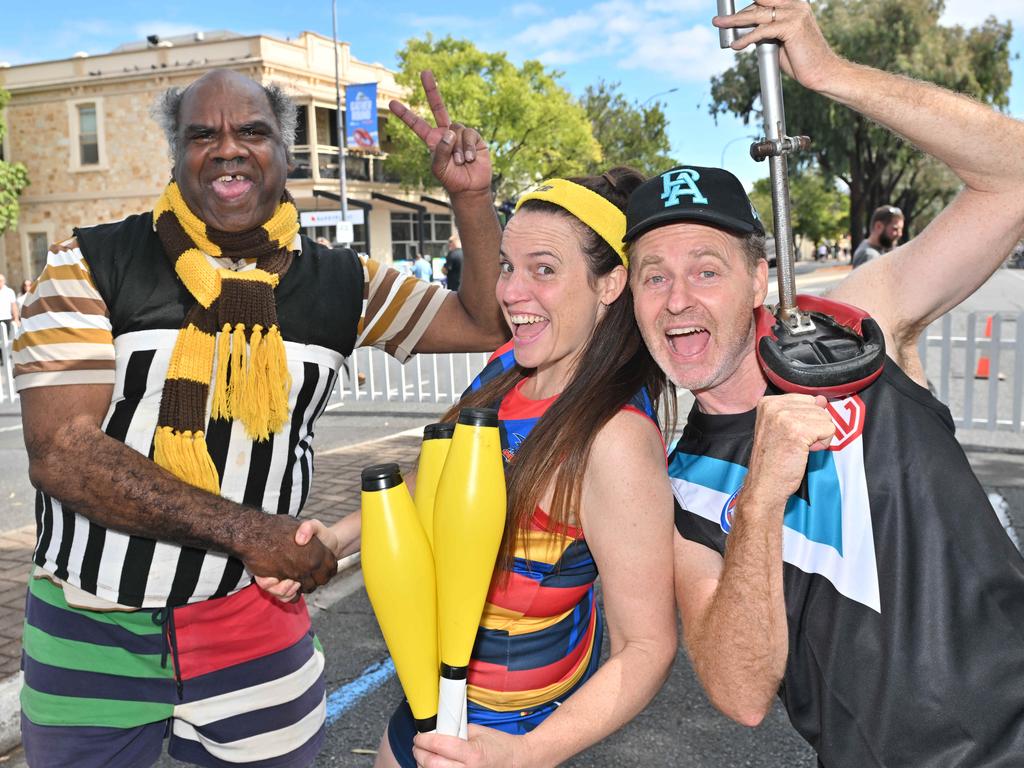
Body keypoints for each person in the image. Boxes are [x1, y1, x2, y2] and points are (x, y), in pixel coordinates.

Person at [12, 69, 507, 768]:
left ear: (286, 149)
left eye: (251, 131)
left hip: (254, 625)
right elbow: (62, 451)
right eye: (202, 135)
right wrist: (249, 531)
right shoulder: (86, 263)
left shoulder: (344, 282)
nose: (228, 149)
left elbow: (484, 322)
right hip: (89, 630)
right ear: (176, 155)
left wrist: (473, 199)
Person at [625, 2, 1024, 766]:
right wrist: (763, 495)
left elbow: (1012, 177)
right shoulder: (674, 494)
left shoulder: (855, 326)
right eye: (655, 277)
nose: (678, 299)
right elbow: (739, 693)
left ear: (757, 279)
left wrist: (830, 72)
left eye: (706, 270)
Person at [262, 168, 678, 767]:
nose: (510, 292)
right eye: (509, 266)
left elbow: (647, 647)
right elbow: (441, 480)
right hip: (429, 695)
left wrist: (525, 753)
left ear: (611, 283)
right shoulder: (510, 365)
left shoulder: (615, 440)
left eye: (544, 269)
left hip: (509, 731)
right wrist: (338, 536)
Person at [850, 204, 904, 268]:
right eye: (895, 229)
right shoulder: (869, 256)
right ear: (878, 226)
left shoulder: (878, 250)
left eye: (901, 229)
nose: (900, 234)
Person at [0, 273, 18, 338]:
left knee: (6, 338)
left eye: (1, 281)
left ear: (4, 281)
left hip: (6, 318)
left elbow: (14, 306)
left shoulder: (9, 291)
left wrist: (16, 319)